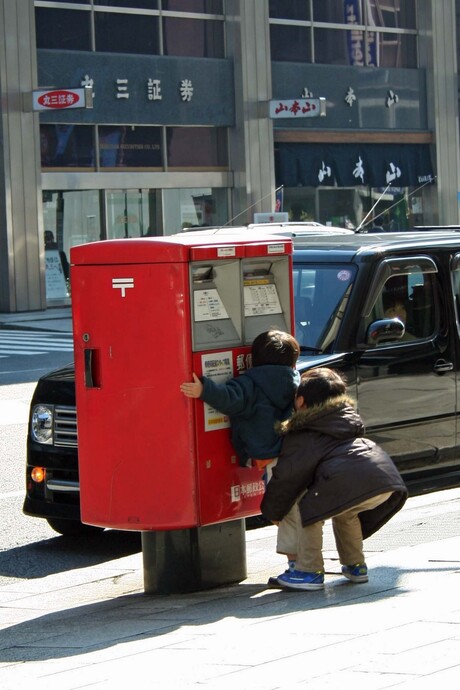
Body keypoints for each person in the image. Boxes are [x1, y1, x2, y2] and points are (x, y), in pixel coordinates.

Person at [261, 367, 408, 591]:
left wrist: (272, 511)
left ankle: (309, 572)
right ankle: (356, 565)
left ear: (300, 401)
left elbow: (287, 478)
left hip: (349, 482)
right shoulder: (347, 420)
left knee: (306, 510)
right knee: (347, 511)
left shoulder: (305, 432)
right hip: (385, 480)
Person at [180, 329, 300, 470]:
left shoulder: (250, 384)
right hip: (291, 450)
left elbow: (228, 398)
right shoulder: (296, 383)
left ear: (253, 359)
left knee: (276, 489)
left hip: (264, 456)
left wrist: (203, 390)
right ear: (292, 364)